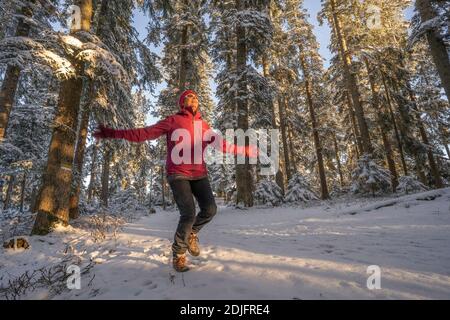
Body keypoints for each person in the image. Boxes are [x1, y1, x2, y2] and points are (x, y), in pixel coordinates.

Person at [93, 90, 258, 272]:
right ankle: (179, 254)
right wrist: (114, 133)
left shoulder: (203, 126)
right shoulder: (172, 121)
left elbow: (222, 145)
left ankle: (192, 233)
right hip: (178, 173)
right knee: (188, 213)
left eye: (196, 97)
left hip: (199, 174)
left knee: (210, 209)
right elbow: (145, 133)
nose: (194, 99)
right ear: (182, 102)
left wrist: (244, 150)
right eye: (189, 97)